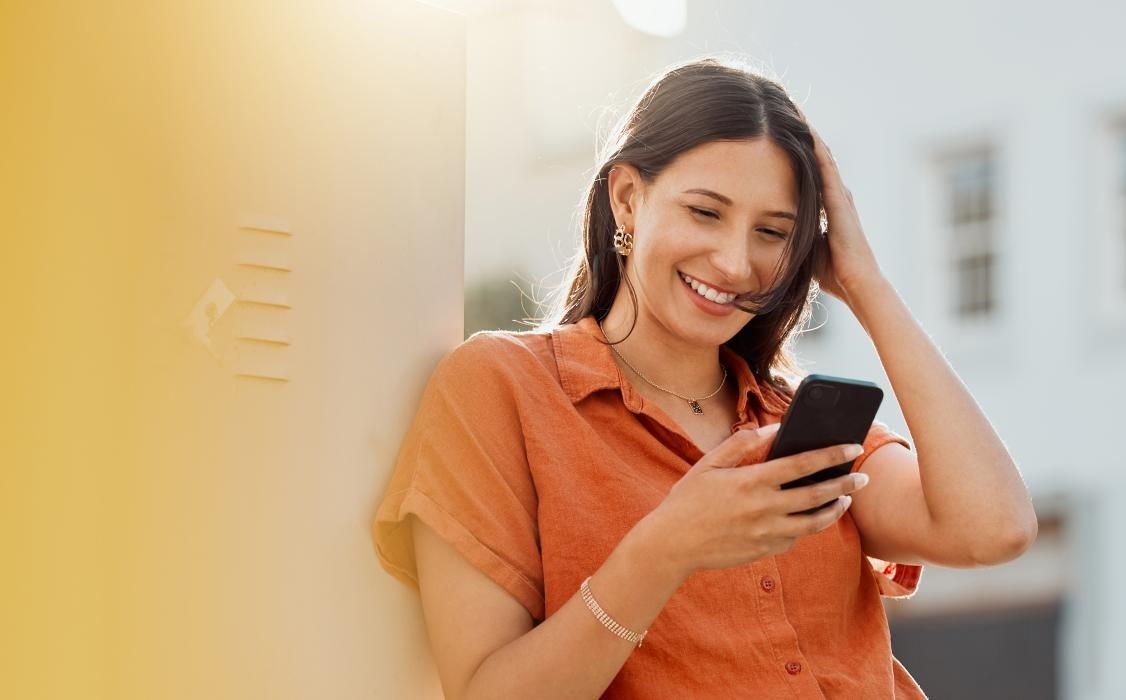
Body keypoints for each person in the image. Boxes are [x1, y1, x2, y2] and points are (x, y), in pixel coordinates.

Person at [371, 56, 1036, 699]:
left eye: (773, 233)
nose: (734, 261)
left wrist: (865, 284)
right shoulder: (504, 388)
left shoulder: (788, 421)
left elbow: (994, 527)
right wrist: (666, 549)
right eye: (706, 212)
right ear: (629, 199)